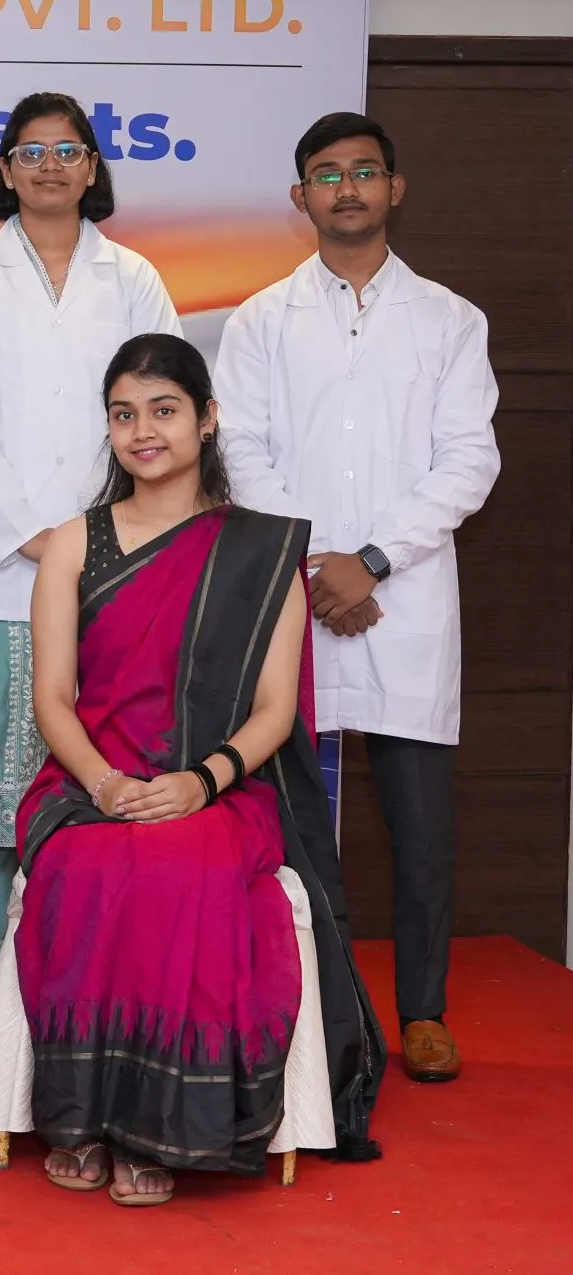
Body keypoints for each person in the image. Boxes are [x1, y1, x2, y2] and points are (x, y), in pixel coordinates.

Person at [14, 332, 382, 1204]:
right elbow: (53, 699)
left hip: (219, 787)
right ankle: (86, 1117)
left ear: (208, 418)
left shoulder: (263, 553)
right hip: (88, 782)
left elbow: (274, 712)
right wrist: (107, 786)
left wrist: (199, 782)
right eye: (124, 415)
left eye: (164, 410)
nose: (144, 431)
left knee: (182, 867)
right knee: (92, 862)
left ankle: (161, 1127)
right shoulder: (74, 544)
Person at [213, 112, 500, 1084]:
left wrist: (370, 561)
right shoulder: (259, 320)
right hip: (294, 595)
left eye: (364, 172)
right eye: (327, 174)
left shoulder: (450, 320)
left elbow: (469, 461)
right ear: (300, 196)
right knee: (295, 815)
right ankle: (311, 1004)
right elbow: (240, 452)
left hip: (403, 599)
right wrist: (314, 564)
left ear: (393, 189)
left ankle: (424, 1011)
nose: (347, 188)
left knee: (420, 826)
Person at [0, 91, 181, 976]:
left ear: (92, 166)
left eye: (67, 151)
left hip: (114, 566)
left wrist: (106, 538)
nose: (50, 167)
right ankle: (3, 976)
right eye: (31, 152)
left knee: (102, 776)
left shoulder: (134, 277)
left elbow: (161, 416)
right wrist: (38, 536)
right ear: (6, 170)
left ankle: (86, 966)